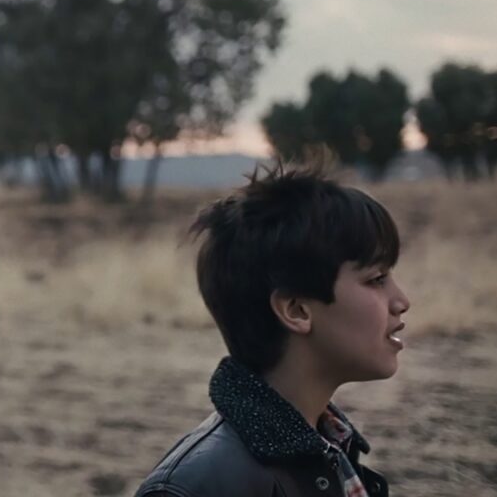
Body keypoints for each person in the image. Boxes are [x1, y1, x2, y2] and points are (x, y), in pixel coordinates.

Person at [135, 167, 410, 497]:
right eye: (377, 279)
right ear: (296, 310)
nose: (401, 301)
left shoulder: (329, 450)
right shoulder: (194, 489)